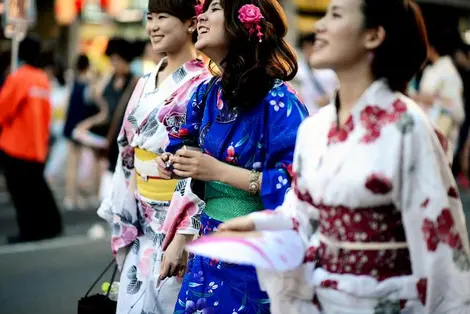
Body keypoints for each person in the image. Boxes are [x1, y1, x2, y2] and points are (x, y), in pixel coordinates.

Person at [218, 0, 470, 312]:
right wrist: (260, 224)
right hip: (324, 298)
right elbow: (303, 212)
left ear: (373, 36)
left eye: (335, 15)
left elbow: (441, 241)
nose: (320, 26)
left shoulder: (407, 125)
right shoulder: (315, 127)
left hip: (386, 300)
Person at [158, 0, 308, 312]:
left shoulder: (280, 100)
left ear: (241, 23)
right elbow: (184, 143)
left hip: (255, 251)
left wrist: (217, 171)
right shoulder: (206, 92)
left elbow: (299, 186)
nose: (200, 17)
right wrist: (174, 162)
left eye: (213, 8)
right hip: (208, 239)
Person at [97, 0, 210, 313]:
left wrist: (185, 232)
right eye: (149, 18)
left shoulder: (205, 83)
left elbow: (201, 157)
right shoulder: (146, 81)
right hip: (141, 216)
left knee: (167, 301)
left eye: (163, 17)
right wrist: (123, 214)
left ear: (191, 22)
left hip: (176, 218)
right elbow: (126, 146)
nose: (153, 26)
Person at [0, 35, 62, 244]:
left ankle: (28, 231)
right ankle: (51, 227)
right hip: (37, 146)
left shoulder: (19, 77)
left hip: (15, 146)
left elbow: (3, 109)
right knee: (37, 191)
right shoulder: (42, 79)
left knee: (21, 194)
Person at [75, 38, 138, 206]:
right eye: (112, 59)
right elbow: (104, 111)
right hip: (109, 143)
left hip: (127, 145)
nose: (113, 63)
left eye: (117, 60)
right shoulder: (108, 81)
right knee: (107, 198)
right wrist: (88, 124)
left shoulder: (136, 82)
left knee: (124, 201)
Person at [413, 27, 464, 154]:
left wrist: (428, 99)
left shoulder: (448, 72)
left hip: (437, 131)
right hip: (425, 129)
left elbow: (456, 108)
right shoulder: (433, 69)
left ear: (432, 48)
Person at [293, 32, 337, 115]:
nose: (309, 51)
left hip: (325, 115)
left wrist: (330, 99)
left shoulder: (330, 71)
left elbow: (337, 93)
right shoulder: (297, 70)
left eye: (311, 46)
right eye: (305, 47)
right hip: (305, 115)